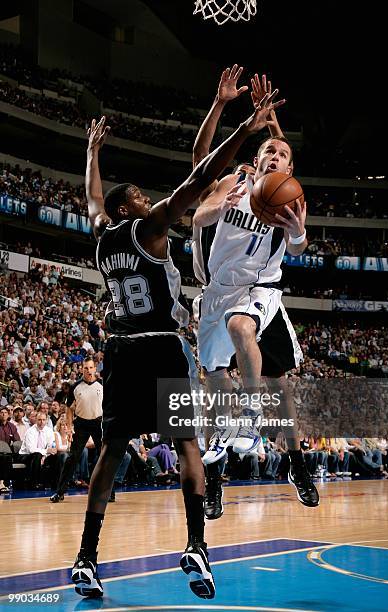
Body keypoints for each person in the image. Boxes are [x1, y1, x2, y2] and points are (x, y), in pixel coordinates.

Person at [70, 102, 276, 600]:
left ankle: (85, 557)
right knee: (187, 445)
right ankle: (196, 545)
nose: (146, 198)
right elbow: (201, 176)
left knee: (112, 452)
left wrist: (92, 152)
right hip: (162, 351)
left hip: (120, 351)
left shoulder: (101, 236)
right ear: (129, 210)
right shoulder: (153, 226)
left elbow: (92, 201)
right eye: (139, 196)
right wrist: (244, 130)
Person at [192, 69, 319, 519]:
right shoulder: (236, 183)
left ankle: (295, 460)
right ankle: (215, 481)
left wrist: (300, 236)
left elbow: (299, 244)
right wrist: (226, 105)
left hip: (261, 289)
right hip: (215, 292)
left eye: (281, 156)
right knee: (215, 387)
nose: (273, 156)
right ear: (258, 155)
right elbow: (200, 166)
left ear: (289, 169)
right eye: (268, 150)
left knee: (271, 377)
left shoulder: (289, 199)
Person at [50, 357, 103, 502]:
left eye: (91, 367)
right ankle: (60, 492)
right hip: (81, 424)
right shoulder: (75, 387)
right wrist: (68, 429)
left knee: (104, 458)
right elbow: (68, 409)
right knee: (72, 458)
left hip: (99, 424)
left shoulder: (102, 385)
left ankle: (108, 492)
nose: (89, 370)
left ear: (95, 368)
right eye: (86, 368)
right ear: (82, 369)